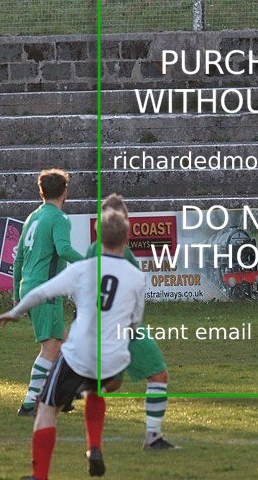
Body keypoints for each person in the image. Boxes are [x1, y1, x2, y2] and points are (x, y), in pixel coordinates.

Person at [0, 208, 146, 480]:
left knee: (46, 408)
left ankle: (39, 476)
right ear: (125, 239)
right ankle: (94, 447)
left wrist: (14, 312)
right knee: (94, 388)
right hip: (113, 358)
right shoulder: (136, 277)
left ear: (97, 238)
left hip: (79, 355)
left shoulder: (81, 270)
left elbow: (42, 292)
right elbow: (134, 325)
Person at [84, 193, 177, 450]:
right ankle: (153, 437)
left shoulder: (93, 249)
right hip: (125, 327)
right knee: (158, 374)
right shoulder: (122, 253)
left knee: (111, 383)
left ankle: (67, 390)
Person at [13, 169, 84, 416]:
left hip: (30, 286)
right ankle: (31, 403)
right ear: (65, 192)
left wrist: (16, 293)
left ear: (40, 191)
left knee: (64, 345)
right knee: (51, 348)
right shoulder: (58, 218)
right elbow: (64, 249)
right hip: (46, 289)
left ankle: (62, 396)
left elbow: (19, 257)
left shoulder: (32, 217)